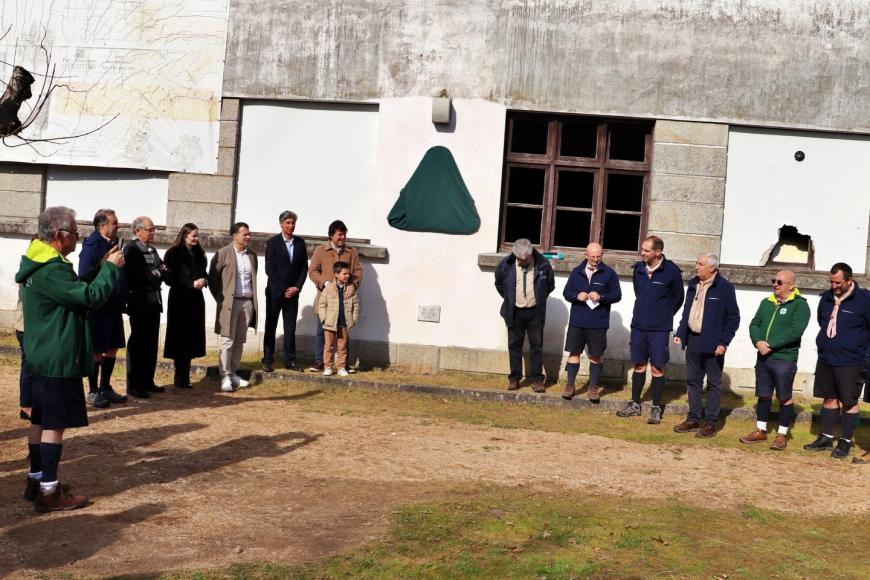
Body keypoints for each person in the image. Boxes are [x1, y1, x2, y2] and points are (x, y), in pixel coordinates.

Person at [15, 206, 124, 512]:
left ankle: (36, 480)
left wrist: (99, 267)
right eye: (75, 232)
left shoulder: (40, 261)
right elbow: (89, 297)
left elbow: (73, 290)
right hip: (58, 357)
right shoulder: (52, 269)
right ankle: (49, 492)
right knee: (54, 424)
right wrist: (111, 270)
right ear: (60, 235)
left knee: (39, 419)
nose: (78, 237)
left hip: (43, 354)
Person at [803, 263, 870, 459]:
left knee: (849, 401)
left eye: (838, 283)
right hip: (827, 357)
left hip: (852, 360)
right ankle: (826, 437)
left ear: (849, 280)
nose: (834, 286)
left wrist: (863, 354)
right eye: (831, 282)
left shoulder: (864, 300)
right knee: (829, 398)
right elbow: (822, 321)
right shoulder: (826, 298)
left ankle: (845, 441)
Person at [739, 270, 810, 450]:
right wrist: (758, 342)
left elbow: (795, 331)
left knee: (784, 397)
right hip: (763, 357)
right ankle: (760, 430)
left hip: (784, 359)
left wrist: (769, 344)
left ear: (791, 285)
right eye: (774, 281)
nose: (775, 285)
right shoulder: (767, 302)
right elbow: (755, 323)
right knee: (763, 394)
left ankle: (782, 434)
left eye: (779, 282)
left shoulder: (800, 305)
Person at [672, 254, 740, 437]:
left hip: (713, 343)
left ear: (712, 268)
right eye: (696, 263)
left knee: (713, 384)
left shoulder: (724, 288)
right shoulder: (693, 284)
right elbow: (687, 311)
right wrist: (681, 332)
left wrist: (724, 342)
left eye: (700, 264)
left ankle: (710, 423)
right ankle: (693, 419)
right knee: (693, 381)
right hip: (693, 340)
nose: (696, 266)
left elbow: (733, 318)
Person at [618, 235, 684, 422]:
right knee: (639, 365)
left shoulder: (671, 271)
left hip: (659, 329)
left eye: (646, 250)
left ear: (658, 252)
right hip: (639, 326)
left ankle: (656, 407)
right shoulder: (638, 269)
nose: (642, 253)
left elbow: (678, 298)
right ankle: (634, 404)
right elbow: (639, 293)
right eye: (642, 249)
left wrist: (664, 315)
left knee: (657, 367)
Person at [78, 209, 128, 408]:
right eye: (114, 223)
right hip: (99, 307)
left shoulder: (114, 243)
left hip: (114, 305)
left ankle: (105, 387)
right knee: (97, 349)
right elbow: (85, 276)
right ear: (102, 226)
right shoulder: (92, 245)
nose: (118, 225)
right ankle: (93, 391)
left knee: (112, 347)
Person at [561, 242, 621, 401]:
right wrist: (576, 296)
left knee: (596, 355)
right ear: (586, 255)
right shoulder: (576, 272)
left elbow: (617, 295)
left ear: (602, 255)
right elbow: (566, 293)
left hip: (598, 323)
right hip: (577, 321)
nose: (596, 259)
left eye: (598, 256)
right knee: (574, 353)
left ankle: (593, 387)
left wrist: (601, 297)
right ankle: (570, 385)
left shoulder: (609, 273)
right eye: (593, 256)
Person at [494, 238, 555, 392]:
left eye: (526, 259)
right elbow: (499, 285)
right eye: (520, 259)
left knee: (536, 346)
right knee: (514, 345)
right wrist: (510, 299)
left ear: (531, 254)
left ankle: (537, 380)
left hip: (535, 312)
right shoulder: (505, 265)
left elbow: (550, 285)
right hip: (514, 311)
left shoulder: (543, 264)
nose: (523, 262)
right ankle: (514, 378)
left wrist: (538, 298)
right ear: (515, 256)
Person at [209, 222, 259, 393]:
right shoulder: (223, 253)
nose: (248, 237)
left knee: (239, 340)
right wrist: (222, 299)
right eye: (245, 234)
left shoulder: (252, 255)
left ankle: (233, 373)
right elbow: (213, 279)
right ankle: (224, 375)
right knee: (227, 340)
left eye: (249, 234)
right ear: (234, 235)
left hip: (247, 302)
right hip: (230, 303)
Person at [308, 220, 363, 372]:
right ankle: (320, 362)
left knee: (344, 332)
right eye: (339, 235)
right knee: (322, 330)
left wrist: (353, 284)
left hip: (345, 300)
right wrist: (326, 284)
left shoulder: (351, 252)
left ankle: (342, 364)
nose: (342, 237)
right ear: (331, 235)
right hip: (326, 299)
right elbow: (313, 271)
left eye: (344, 234)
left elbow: (358, 272)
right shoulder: (320, 251)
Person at [124, 216, 169, 398]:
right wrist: (156, 273)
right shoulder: (131, 249)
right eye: (150, 230)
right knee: (138, 342)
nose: (153, 233)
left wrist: (158, 272)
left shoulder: (152, 249)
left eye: (153, 229)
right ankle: (134, 384)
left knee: (151, 342)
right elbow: (139, 275)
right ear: (138, 231)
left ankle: (147, 380)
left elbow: (162, 269)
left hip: (154, 300)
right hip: (139, 300)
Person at [163, 223, 208, 389]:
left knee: (191, 337)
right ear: (184, 235)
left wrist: (204, 280)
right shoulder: (173, 253)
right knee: (179, 337)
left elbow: (204, 272)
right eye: (193, 235)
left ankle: (185, 376)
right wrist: (190, 283)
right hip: (179, 300)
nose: (196, 239)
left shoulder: (199, 253)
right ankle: (179, 376)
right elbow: (169, 277)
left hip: (195, 300)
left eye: (197, 236)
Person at [263, 211, 308, 372]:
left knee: (290, 328)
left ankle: (290, 360)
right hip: (275, 292)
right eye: (287, 223)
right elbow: (270, 269)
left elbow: (304, 268)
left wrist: (297, 287)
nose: (290, 226)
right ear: (281, 224)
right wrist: (283, 289)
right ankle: (267, 360)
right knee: (271, 326)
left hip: (293, 294)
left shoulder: (300, 243)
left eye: (293, 223)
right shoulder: (273, 243)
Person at [317, 261, 360, 376]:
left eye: (348, 274)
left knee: (342, 347)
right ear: (336, 274)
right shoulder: (328, 288)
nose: (347, 276)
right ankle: (328, 367)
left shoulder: (351, 289)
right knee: (328, 346)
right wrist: (324, 319)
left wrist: (353, 321)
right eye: (344, 274)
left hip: (344, 323)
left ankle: (341, 367)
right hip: (330, 323)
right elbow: (321, 304)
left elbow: (356, 306)